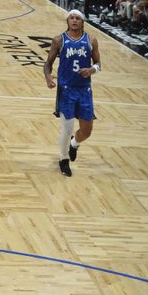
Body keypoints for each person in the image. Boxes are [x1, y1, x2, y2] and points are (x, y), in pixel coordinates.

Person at [43, 9, 101, 177]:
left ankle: (74, 144)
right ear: (67, 21)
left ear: (82, 22)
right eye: (71, 18)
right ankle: (63, 159)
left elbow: (98, 64)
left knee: (87, 131)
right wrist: (48, 78)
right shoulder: (59, 40)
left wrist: (91, 70)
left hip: (84, 90)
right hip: (66, 89)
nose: (74, 20)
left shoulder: (91, 40)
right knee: (67, 128)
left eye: (77, 18)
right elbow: (47, 65)